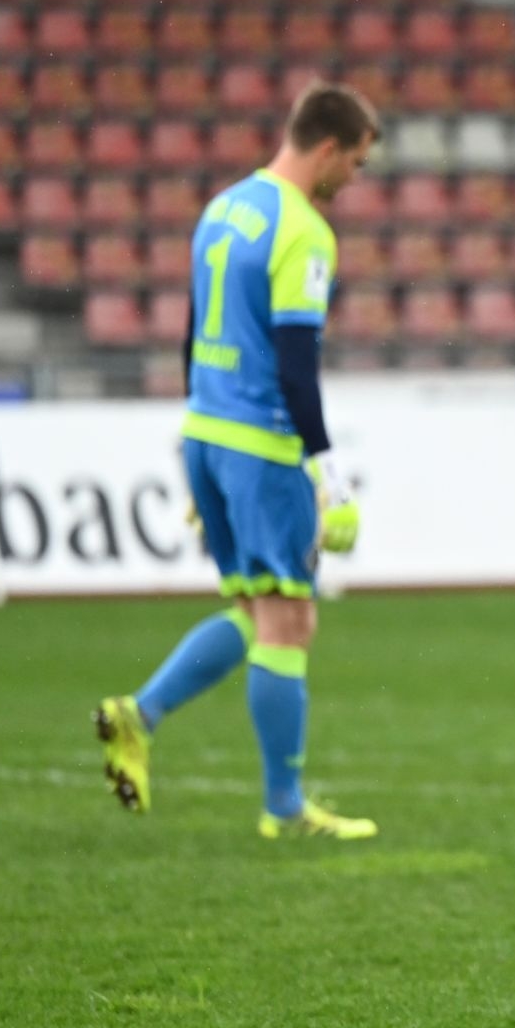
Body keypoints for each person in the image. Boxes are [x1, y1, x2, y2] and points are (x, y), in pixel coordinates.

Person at [94, 83, 378, 841]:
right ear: (326, 147)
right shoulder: (304, 230)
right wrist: (329, 476)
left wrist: (199, 448)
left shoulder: (222, 208)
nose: (354, 177)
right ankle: (284, 808)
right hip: (261, 445)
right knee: (290, 620)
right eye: (354, 161)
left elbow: (192, 338)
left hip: (209, 432)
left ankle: (139, 714)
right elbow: (294, 366)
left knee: (256, 610)